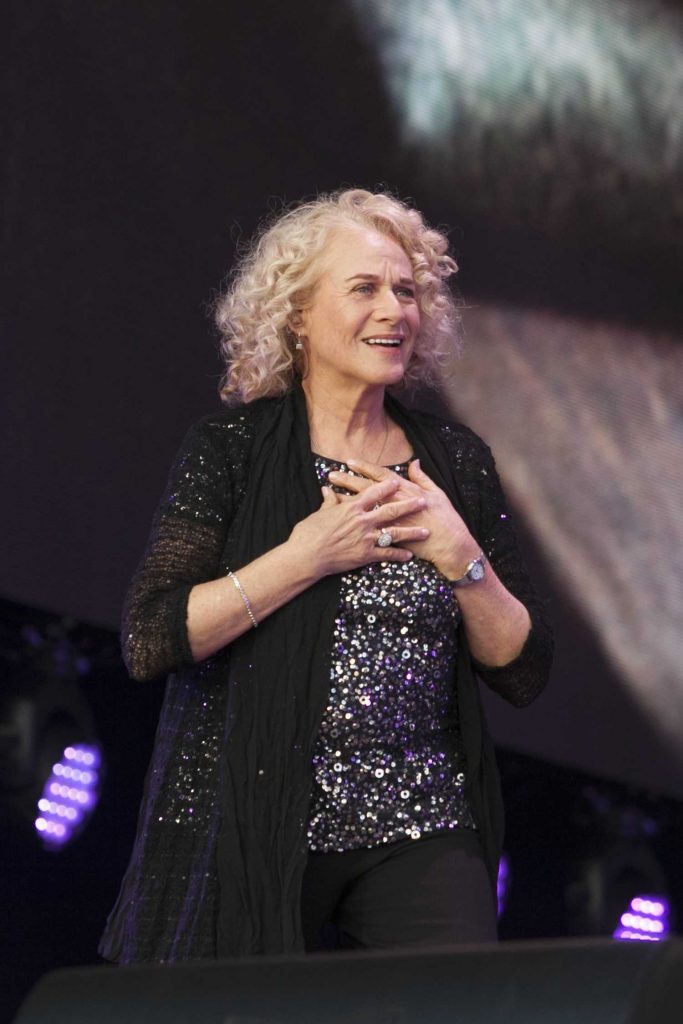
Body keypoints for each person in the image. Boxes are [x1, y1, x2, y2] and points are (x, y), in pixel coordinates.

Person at [100, 188, 553, 963]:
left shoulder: (456, 464)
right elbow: (152, 637)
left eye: (407, 291)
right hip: (253, 808)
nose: (394, 311)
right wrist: (307, 554)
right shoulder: (232, 450)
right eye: (365, 288)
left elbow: (521, 669)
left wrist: (460, 557)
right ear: (298, 316)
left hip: (421, 820)